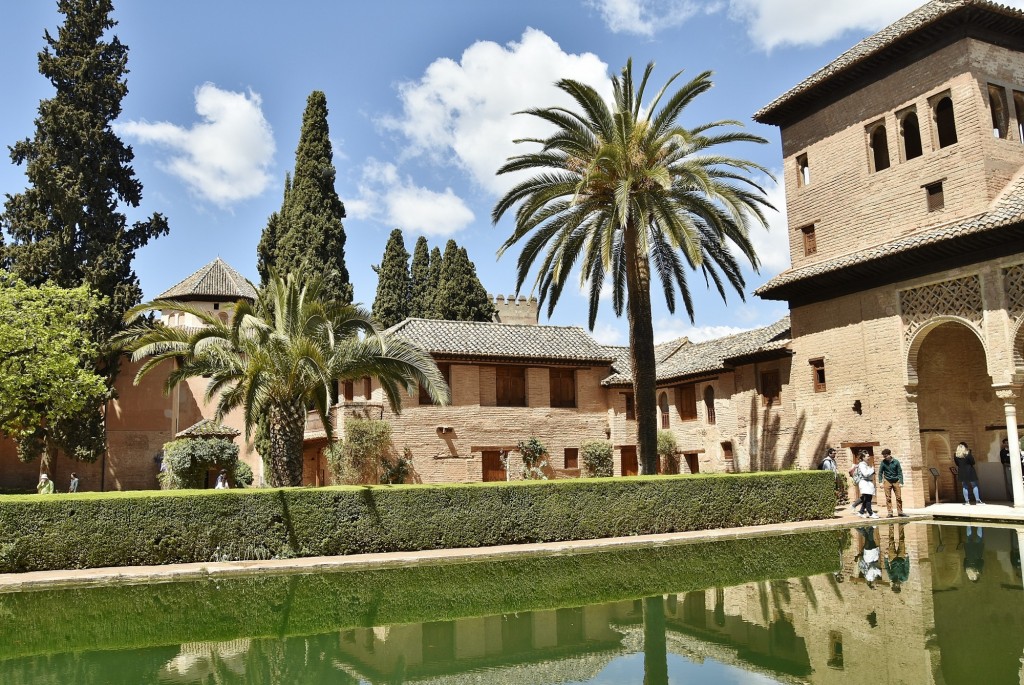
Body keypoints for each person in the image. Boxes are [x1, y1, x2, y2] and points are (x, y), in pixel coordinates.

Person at [878, 449, 908, 517]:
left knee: (899, 497)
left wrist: (901, 482)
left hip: (896, 480)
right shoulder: (883, 462)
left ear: (889, 455)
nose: (885, 457)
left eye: (886, 456)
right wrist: (880, 482)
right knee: (888, 497)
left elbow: (900, 472)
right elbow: (880, 473)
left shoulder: (896, 462)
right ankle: (890, 512)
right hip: (887, 480)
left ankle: (900, 512)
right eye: (884, 456)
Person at [884, 523, 910, 593]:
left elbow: (887, 567)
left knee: (891, 541)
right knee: (902, 541)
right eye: (897, 586)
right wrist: (907, 558)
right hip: (901, 558)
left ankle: (891, 525)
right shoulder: (904, 578)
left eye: (894, 586)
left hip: (892, 558)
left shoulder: (891, 577)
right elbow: (907, 567)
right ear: (899, 586)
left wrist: (886, 558)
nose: (896, 585)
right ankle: (901, 525)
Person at [852, 451, 878, 518]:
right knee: (868, 499)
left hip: (868, 482)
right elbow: (865, 474)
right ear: (863, 457)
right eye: (867, 456)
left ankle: (861, 512)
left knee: (866, 498)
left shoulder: (866, 464)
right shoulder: (862, 464)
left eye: (869, 456)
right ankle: (870, 513)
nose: (869, 457)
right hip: (864, 482)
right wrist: (872, 470)